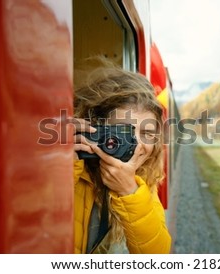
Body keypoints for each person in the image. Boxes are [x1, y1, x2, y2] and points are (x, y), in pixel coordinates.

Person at [72, 60, 171, 254]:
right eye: (124, 132)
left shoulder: (142, 182)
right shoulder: (70, 166)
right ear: (95, 129)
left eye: (147, 133)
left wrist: (129, 192)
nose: (136, 145)